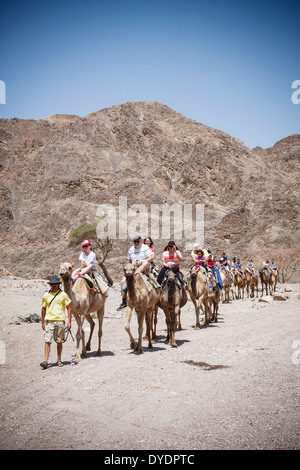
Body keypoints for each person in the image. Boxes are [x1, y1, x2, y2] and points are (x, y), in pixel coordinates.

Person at [40, 275, 72, 369]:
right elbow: (43, 309)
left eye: (55, 284)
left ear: (58, 284)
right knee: (47, 341)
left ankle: (59, 359)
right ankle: (46, 361)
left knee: (59, 341)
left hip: (60, 321)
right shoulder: (46, 295)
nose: (53, 286)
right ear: (50, 285)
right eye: (52, 284)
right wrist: (43, 322)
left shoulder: (63, 295)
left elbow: (69, 308)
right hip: (49, 321)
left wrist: (69, 321)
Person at [117, 236, 155, 310]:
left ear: (141, 241)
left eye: (138, 241)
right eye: (135, 241)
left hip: (143, 266)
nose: (136, 243)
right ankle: (124, 301)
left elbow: (151, 258)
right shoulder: (131, 249)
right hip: (134, 268)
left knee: (146, 263)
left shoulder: (145, 248)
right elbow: (130, 261)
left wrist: (141, 261)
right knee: (122, 282)